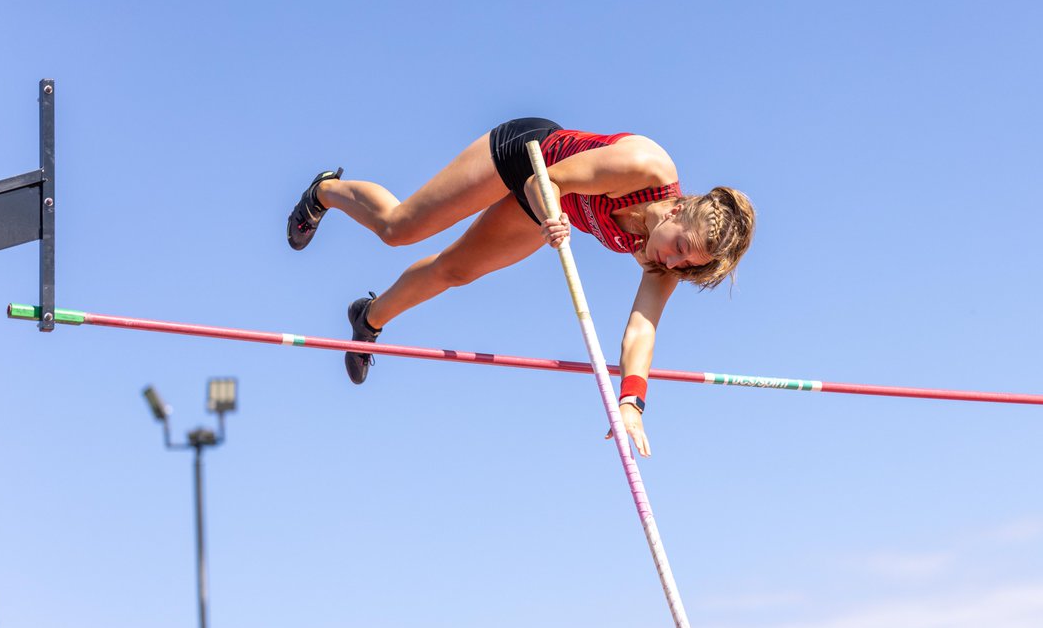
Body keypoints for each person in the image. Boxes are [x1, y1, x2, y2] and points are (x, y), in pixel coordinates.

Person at [287, 117, 755, 457]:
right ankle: (323, 192)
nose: (671, 262)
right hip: (527, 157)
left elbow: (642, 327)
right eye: (679, 248)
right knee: (399, 228)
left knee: (454, 270)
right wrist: (554, 213)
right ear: (678, 209)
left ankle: (368, 318)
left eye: (686, 264)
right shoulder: (644, 165)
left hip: (548, 210)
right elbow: (542, 181)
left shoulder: (664, 260)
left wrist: (632, 402)